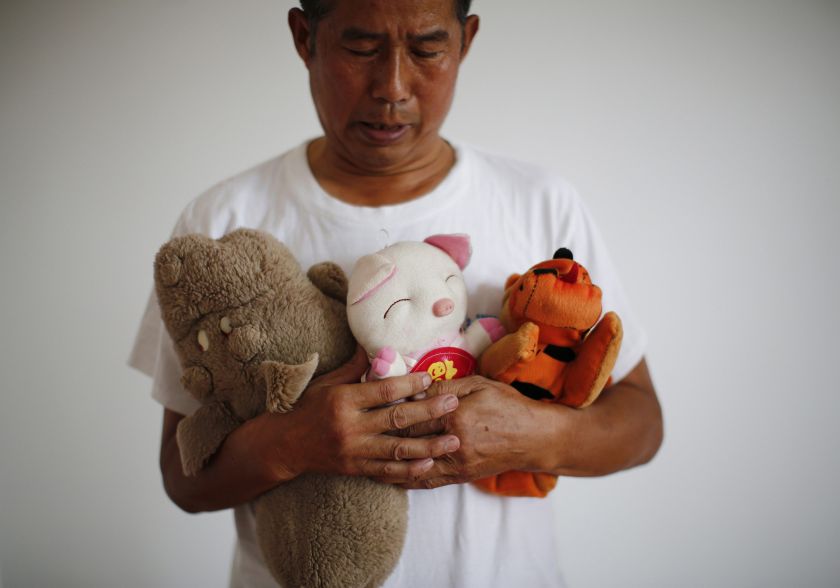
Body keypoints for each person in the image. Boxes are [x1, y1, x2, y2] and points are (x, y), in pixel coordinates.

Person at [129, 0, 664, 586]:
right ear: (305, 37)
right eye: (360, 48)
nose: (392, 87)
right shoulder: (222, 223)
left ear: (466, 40)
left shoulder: (538, 201)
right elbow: (182, 478)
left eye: (427, 50)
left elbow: (642, 423)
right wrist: (293, 443)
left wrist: (534, 435)